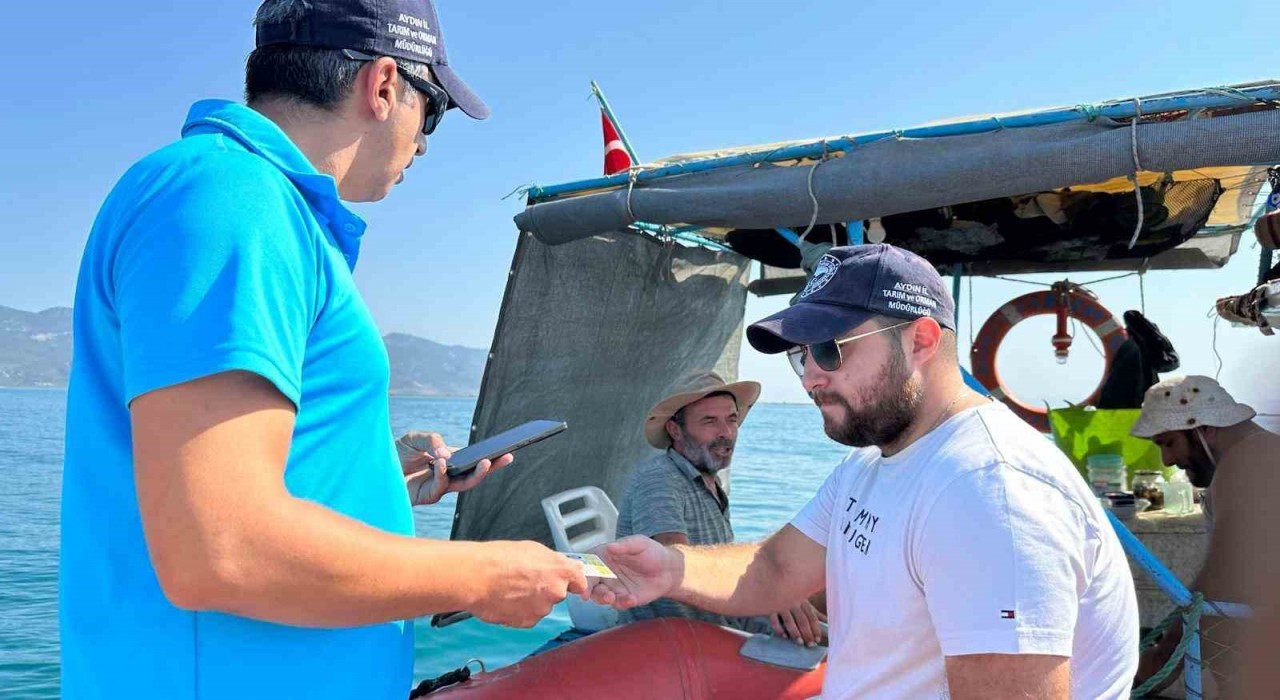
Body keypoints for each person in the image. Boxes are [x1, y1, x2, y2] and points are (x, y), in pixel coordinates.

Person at [60, 2, 587, 698]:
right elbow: (220, 549)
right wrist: (485, 574)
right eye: (432, 114)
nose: (425, 145)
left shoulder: (238, 199)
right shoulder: (234, 198)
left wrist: (382, 480)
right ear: (383, 85)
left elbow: (224, 482)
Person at [590, 244, 1139, 699]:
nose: (810, 378)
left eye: (829, 350)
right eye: (801, 355)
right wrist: (669, 566)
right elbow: (776, 567)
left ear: (920, 340)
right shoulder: (873, 461)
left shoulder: (990, 490)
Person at [617, 371, 826, 645]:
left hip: (723, 615)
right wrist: (766, 593)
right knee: (830, 640)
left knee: (827, 590)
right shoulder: (660, 481)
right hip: (684, 635)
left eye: (731, 419)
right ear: (675, 429)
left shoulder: (705, 477)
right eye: (709, 421)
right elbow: (671, 562)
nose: (726, 433)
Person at [1129, 376, 1280, 695]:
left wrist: (1161, 661)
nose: (1167, 460)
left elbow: (1229, 577)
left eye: (1168, 443)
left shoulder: (1248, 463)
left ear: (1205, 429)